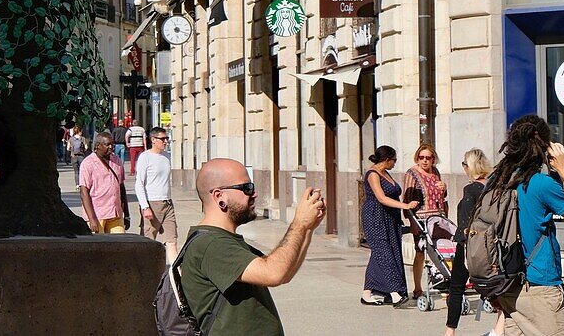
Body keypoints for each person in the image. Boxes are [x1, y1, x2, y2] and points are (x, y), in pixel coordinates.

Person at [182, 158, 326, 335]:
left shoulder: (224, 240)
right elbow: (274, 273)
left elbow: (284, 273)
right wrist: (299, 224)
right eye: (246, 188)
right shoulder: (210, 244)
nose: (254, 194)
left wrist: (308, 229)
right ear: (219, 196)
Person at [490, 115, 564, 336]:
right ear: (544, 146)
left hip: (507, 285)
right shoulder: (539, 183)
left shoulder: (500, 180)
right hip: (540, 286)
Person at [445, 148, 504, 336]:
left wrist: (463, 251)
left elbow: (466, 225)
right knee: (498, 287)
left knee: (456, 288)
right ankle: (499, 328)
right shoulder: (496, 188)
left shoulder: (471, 189)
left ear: (468, 166)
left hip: (471, 246)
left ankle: (450, 331)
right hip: (494, 245)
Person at [360, 146, 418, 307]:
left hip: (389, 217)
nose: (395, 163)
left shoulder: (385, 172)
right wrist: (405, 206)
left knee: (381, 253)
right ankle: (395, 294)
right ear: (387, 160)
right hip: (375, 217)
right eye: (394, 160)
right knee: (385, 253)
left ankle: (367, 294)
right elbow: (381, 198)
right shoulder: (372, 174)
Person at [402, 142, 448, 298]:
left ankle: (443, 281)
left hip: (437, 218)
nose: (424, 161)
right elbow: (407, 201)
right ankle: (417, 288)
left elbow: (442, 196)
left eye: (428, 158)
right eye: (421, 157)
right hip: (420, 219)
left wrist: (444, 188)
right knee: (420, 252)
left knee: (440, 251)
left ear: (433, 159)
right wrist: (412, 221)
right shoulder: (412, 174)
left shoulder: (435, 172)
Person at [136, 126, 179, 262]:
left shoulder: (166, 156)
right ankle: (144, 270)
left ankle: (175, 273)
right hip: (152, 203)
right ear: (153, 140)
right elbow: (139, 184)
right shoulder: (145, 157)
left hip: (167, 203)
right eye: (162, 139)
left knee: (172, 241)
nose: (165, 141)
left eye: (166, 138)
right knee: (148, 242)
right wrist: (145, 207)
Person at [79, 131, 128, 234]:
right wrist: (92, 219)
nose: (111, 147)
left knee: (119, 246)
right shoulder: (88, 163)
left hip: (115, 213)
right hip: (97, 214)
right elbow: (84, 192)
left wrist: (126, 214)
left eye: (112, 144)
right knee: (99, 247)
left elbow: (121, 187)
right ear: (98, 146)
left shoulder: (117, 161)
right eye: (107, 144)